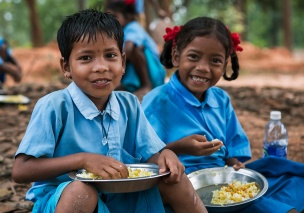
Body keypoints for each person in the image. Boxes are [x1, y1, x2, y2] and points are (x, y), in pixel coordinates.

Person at [11, 9, 207, 213]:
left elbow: (150, 155)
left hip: (120, 195)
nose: (101, 67)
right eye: (86, 58)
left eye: (110, 55)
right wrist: (82, 160)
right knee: (82, 191)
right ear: (66, 66)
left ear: (122, 62)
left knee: (175, 179)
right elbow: (21, 170)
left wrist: (166, 155)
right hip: (66, 199)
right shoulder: (54, 106)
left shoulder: (129, 104)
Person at [142, 17, 304, 213]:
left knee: (287, 173)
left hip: (223, 180)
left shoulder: (221, 99)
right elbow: (143, 157)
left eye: (215, 61)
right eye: (194, 57)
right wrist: (179, 147)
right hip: (179, 185)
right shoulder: (158, 101)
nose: (203, 67)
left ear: (225, 63)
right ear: (176, 56)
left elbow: (232, 151)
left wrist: (234, 164)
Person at [106, 1, 166, 100]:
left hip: (154, 73)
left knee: (134, 50)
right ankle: (128, 85)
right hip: (137, 74)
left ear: (128, 17)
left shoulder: (133, 27)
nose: (111, 20)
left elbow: (129, 48)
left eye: (115, 16)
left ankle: (146, 85)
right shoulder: (119, 33)